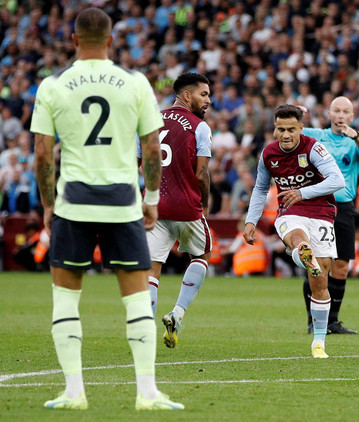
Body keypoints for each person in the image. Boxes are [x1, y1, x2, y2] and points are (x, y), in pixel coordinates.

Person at [30, 8, 183, 410]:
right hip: (122, 204)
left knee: (65, 300)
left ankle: (73, 392)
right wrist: (151, 201)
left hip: (74, 203)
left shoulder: (53, 85)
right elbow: (152, 147)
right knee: (136, 302)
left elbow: (43, 154)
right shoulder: (134, 83)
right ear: (112, 40)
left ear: (74, 40)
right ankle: (147, 393)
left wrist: (48, 205)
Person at [243, 104, 345, 358]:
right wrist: (250, 221)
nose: (285, 135)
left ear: (301, 127)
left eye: (291, 129)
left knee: (320, 280)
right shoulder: (268, 154)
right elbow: (259, 189)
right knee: (298, 238)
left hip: (321, 214)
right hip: (289, 212)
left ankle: (318, 343)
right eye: (280, 129)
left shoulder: (314, 148)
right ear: (274, 129)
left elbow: (337, 181)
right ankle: (302, 252)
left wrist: (302, 192)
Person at [141, 73, 213, 350]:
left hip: (155, 205)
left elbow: (140, 162)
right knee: (202, 253)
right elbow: (202, 172)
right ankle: (177, 313)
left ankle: (145, 330)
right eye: (203, 94)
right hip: (186, 206)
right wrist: (204, 202)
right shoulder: (200, 126)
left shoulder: (150, 121)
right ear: (186, 95)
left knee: (151, 268)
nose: (208, 100)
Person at [300, 97, 359, 335]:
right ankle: (314, 321)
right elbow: (282, 133)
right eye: (337, 111)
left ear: (352, 117)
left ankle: (332, 321)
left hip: (343, 207)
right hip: (319, 205)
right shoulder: (315, 135)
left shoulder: (355, 142)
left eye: (345, 112)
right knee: (317, 264)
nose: (340, 115)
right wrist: (296, 114)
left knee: (341, 266)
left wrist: (354, 135)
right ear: (329, 113)